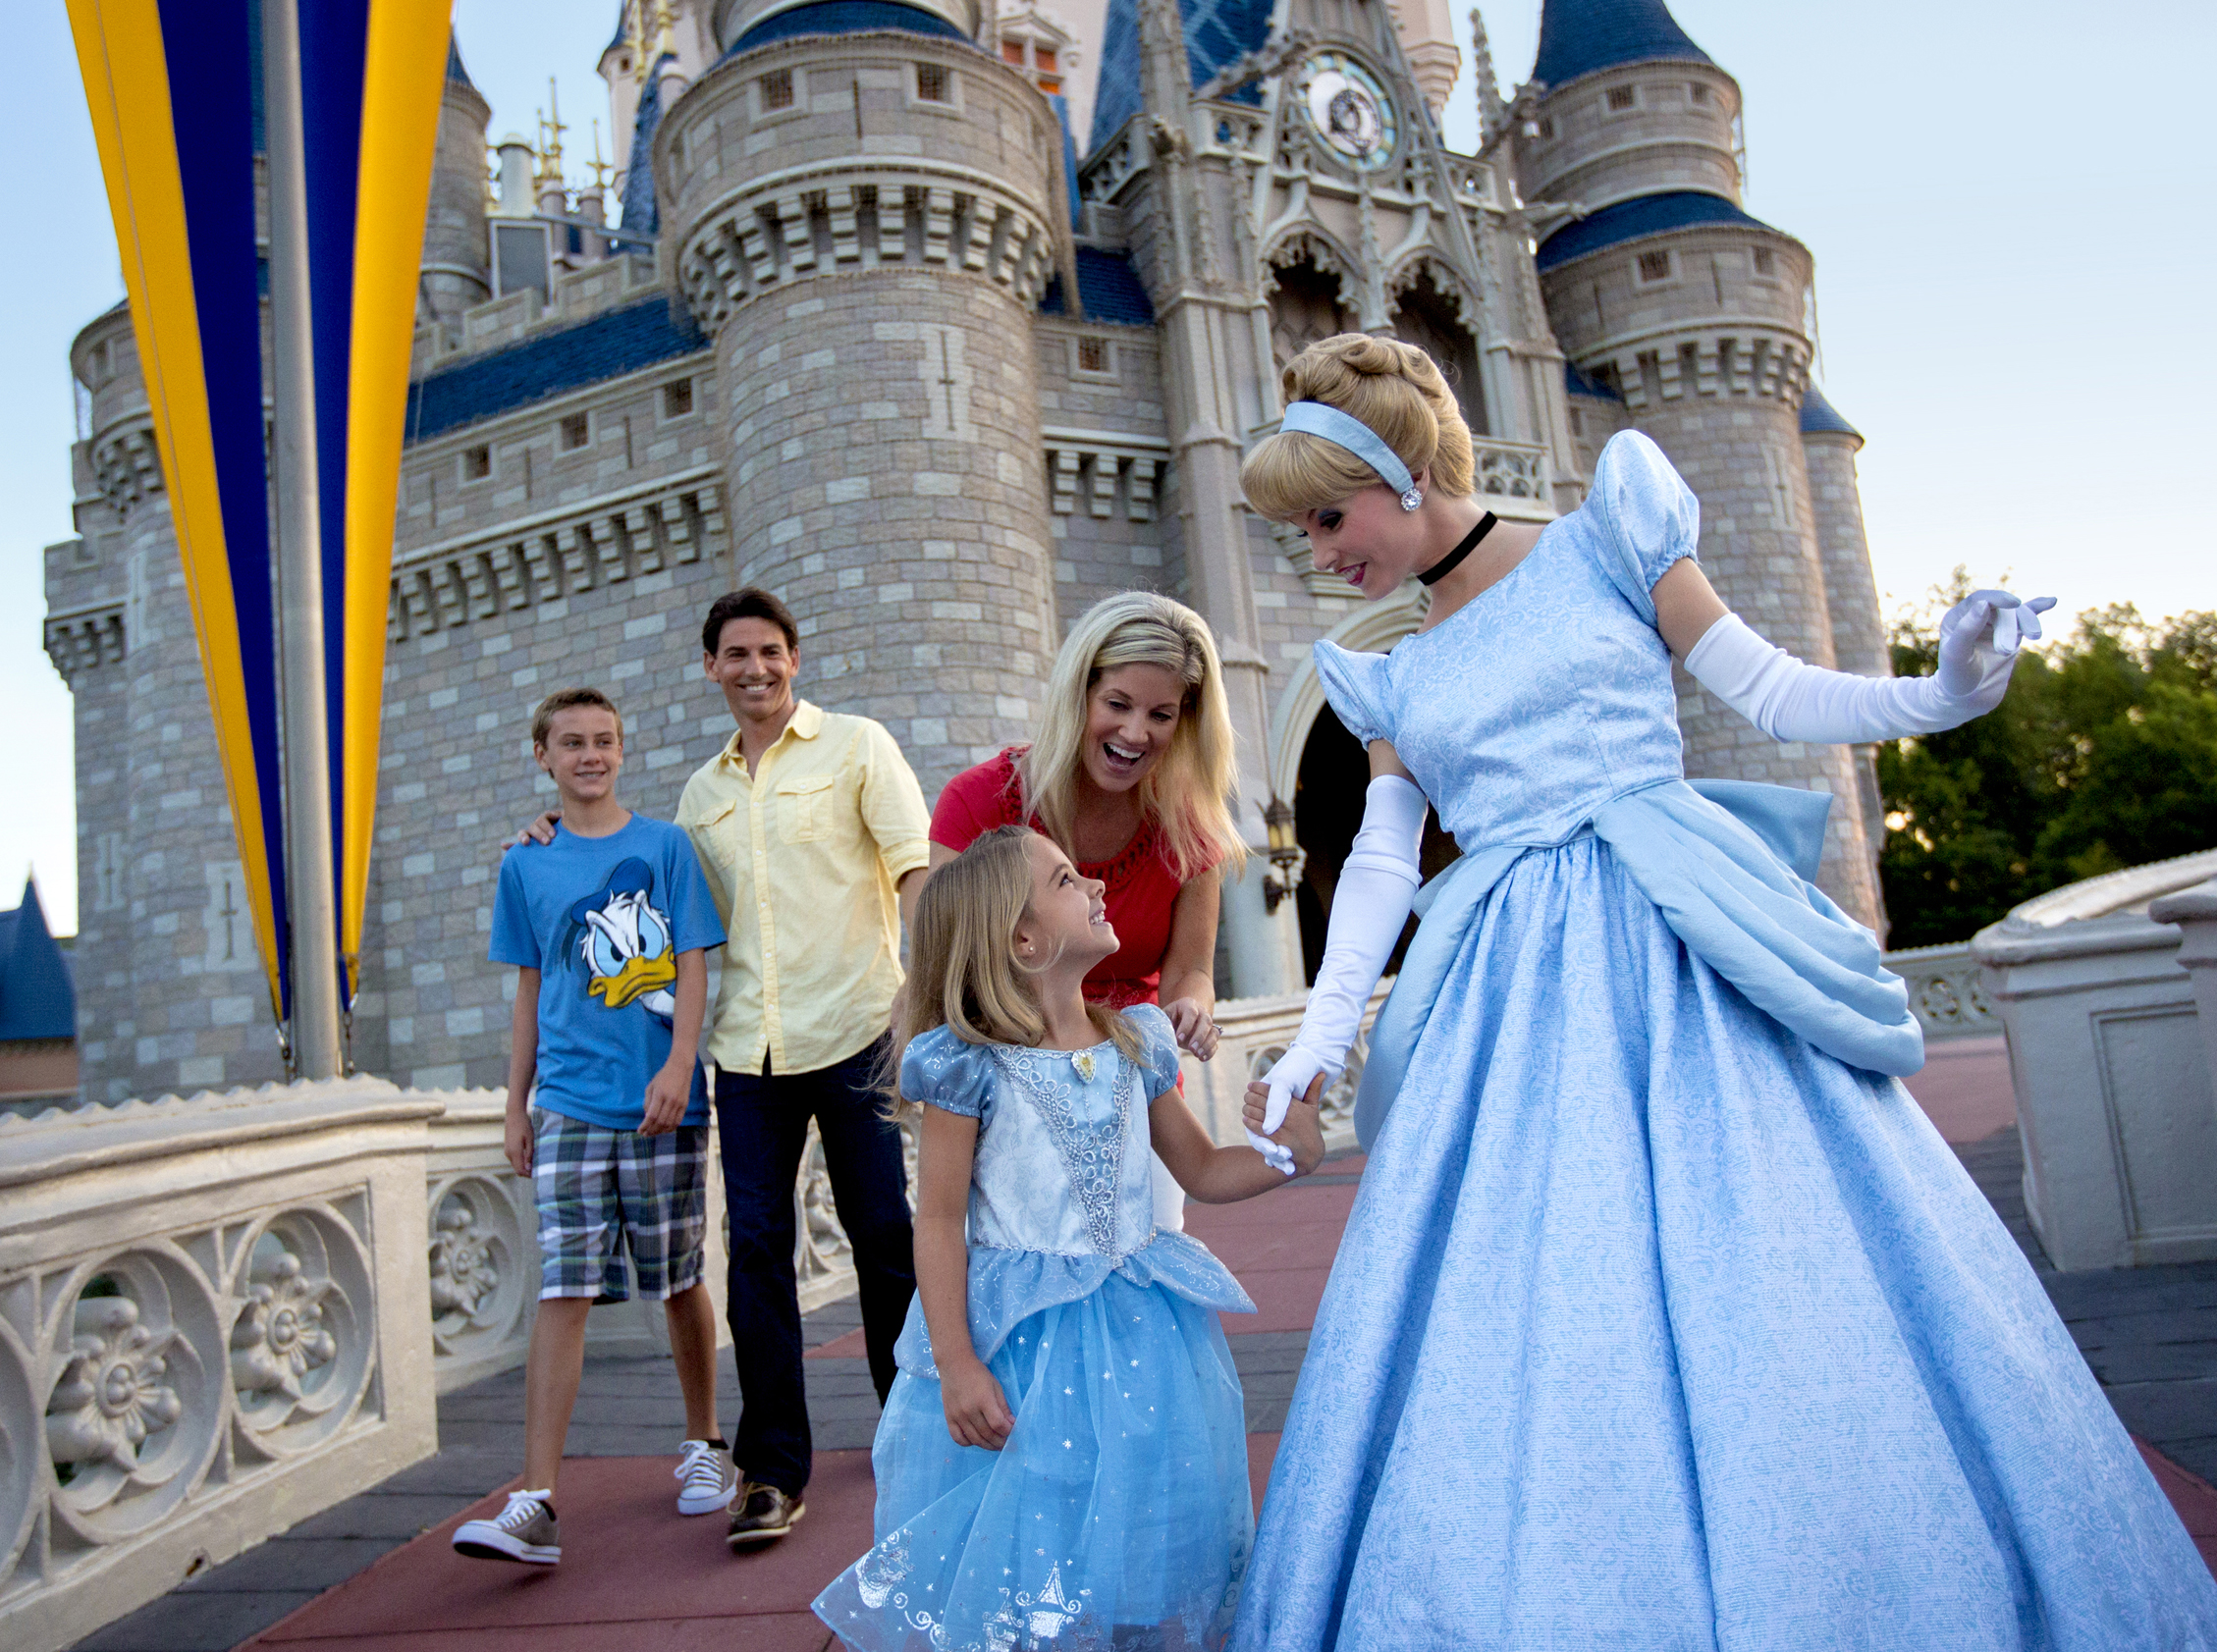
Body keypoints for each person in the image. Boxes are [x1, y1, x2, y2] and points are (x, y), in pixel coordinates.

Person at [1229, 333, 2217, 1647]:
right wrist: (1317, 1033)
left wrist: (1945, 690)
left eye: (1325, 518)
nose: (1316, 553)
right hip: (1509, 1000)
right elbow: (1376, 860)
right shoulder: (1393, 670)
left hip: (1677, 940)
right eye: (1298, 532)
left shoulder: (1605, 541)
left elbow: (1770, 689)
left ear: (1402, 473)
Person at [811, 826, 1325, 1650]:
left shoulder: (1134, 1041)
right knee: (1040, 1516)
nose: (1093, 883)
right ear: (1024, 940)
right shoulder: (968, 1065)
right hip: (1024, 1343)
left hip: (1140, 1332)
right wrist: (957, 1361)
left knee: (1132, 1514)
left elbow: (1201, 1168)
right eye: (1063, 880)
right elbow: (937, 1220)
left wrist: (1288, 1155)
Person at [515, 586, 932, 1551]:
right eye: (736, 654)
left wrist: (925, 997)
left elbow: (915, 874)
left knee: (884, 1237)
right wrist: (548, 836)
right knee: (756, 1256)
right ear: (711, 667)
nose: (755, 668)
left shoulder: (858, 747)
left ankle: (915, 1433)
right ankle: (773, 1471)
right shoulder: (700, 797)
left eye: (770, 651)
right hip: (745, 1054)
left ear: (795, 658)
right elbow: (648, 899)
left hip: (857, 1031)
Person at [455, 688, 730, 1568]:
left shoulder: (666, 846)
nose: (591, 755)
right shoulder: (525, 864)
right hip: (568, 1105)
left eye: (604, 740)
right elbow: (530, 988)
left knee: (679, 1277)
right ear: (542, 755)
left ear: (621, 748)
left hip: (660, 1103)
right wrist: (516, 1103)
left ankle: (705, 1442)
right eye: (572, 742)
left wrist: (680, 1063)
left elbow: (692, 959)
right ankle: (535, 1498)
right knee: (562, 1289)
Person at [929, 592, 1253, 1204]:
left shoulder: (1190, 828)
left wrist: (1191, 1008)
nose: (1135, 733)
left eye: (1161, 714)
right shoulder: (977, 802)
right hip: (1008, 1100)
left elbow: (1192, 968)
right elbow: (943, 969)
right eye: (1117, 704)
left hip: (1137, 1094)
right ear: (1078, 693)